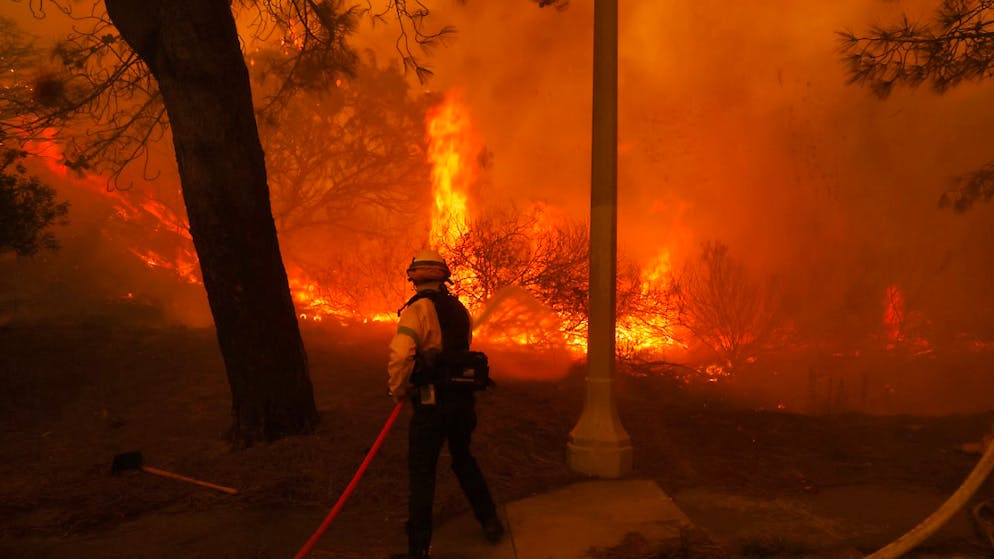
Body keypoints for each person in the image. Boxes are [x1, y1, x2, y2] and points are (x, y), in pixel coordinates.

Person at [387, 249, 504, 559]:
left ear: (413, 277)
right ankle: (490, 520)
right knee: (463, 458)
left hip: (431, 404)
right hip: (463, 403)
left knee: (423, 472)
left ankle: (418, 550)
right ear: (444, 276)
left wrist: (397, 390)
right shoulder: (459, 309)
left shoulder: (417, 310)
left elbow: (401, 354)